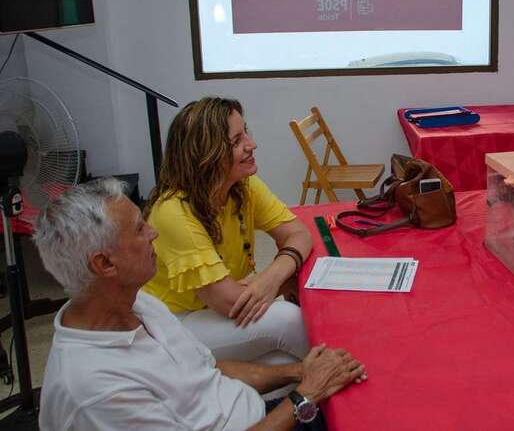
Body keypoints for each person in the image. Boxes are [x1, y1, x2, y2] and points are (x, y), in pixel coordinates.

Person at [34, 178, 367, 430]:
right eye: (139, 229)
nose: (153, 234)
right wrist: (305, 395)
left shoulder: (139, 304)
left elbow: (207, 369)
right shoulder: (95, 390)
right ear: (105, 263)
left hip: (254, 412)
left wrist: (299, 372)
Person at [141, 97, 312, 377]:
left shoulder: (243, 185)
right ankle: (333, 376)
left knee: (283, 359)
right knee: (289, 320)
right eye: (236, 141)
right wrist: (286, 281)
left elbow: (299, 233)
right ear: (205, 155)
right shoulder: (172, 212)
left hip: (220, 308)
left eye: (246, 132)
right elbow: (229, 302)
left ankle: (316, 377)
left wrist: (270, 277)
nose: (251, 144)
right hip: (174, 323)